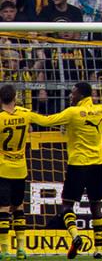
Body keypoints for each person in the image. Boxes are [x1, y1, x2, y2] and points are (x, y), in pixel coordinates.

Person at [39, 74, 102, 260]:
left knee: (67, 205)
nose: (70, 96)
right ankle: (98, 249)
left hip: (77, 165)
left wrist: (25, 115)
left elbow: (46, 121)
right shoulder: (101, 110)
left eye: (72, 93)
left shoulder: (72, 112)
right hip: (97, 165)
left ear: (81, 95)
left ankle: (76, 236)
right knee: (96, 206)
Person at [0, 84, 49, 259]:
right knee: (19, 207)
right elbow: (46, 121)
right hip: (21, 169)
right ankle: (21, 249)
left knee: (3, 209)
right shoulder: (25, 114)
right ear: (15, 97)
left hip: (3, 169)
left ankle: (4, 250)